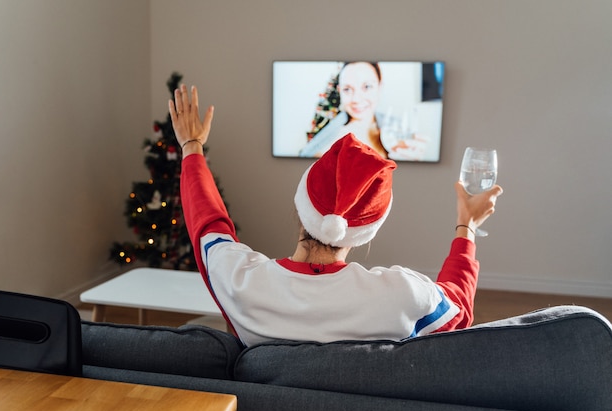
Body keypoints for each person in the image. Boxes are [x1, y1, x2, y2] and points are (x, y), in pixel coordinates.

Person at [169, 84, 503, 347]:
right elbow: (458, 307)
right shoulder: (401, 295)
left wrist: (192, 146)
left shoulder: (241, 281)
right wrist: (467, 226)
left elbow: (209, 225)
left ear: (301, 205)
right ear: (369, 229)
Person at [299, 61, 427, 160]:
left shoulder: (397, 130)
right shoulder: (330, 136)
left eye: (367, 86)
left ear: (380, 87)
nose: (356, 99)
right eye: (347, 89)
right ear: (339, 91)